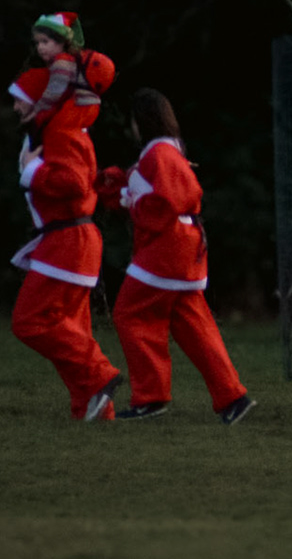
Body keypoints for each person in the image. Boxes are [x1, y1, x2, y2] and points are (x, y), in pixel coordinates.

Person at [96, 88, 254, 425]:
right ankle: (232, 397)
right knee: (194, 325)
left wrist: (133, 202)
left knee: (130, 314)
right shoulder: (169, 153)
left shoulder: (159, 155)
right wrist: (122, 189)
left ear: (142, 121)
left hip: (167, 249)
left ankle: (151, 396)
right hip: (186, 248)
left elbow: (169, 199)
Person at [8, 78, 122, 422]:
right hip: (72, 239)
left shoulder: (59, 133)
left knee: (30, 322)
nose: (14, 106)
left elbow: (72, 183)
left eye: (20, 98)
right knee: (71, 328)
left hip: (67, 242)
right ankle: (94, 408)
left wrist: (32, 170)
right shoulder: (59, 132)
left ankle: (100, 373)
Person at [19, 12, 116, 145]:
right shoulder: (68, 60)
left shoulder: (61, 62)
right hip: (87, 107)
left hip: (79, 107)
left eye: (45, 42)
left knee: (57, 134)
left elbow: (55, 91)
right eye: (37, 43)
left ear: (62, 42)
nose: (40, 47)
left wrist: (36, 110)